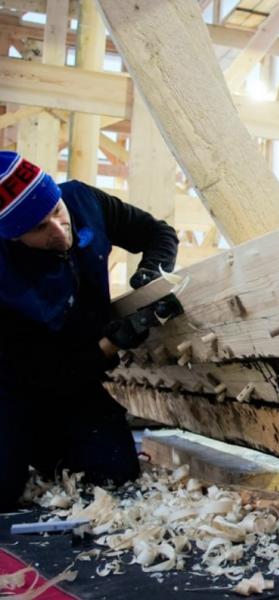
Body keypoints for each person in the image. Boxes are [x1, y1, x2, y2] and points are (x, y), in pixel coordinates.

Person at [0, 151, 179, 511]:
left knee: (114, 471)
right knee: (4, 489)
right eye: (39, 228)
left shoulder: (83, 200)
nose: (59, 231)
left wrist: (151, 276)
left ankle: (48, 446)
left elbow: (158, 233)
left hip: (78, 376)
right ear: (14, 237)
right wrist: (112, 343)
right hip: (16, 383)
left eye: (57, 211)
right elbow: (40, 374)